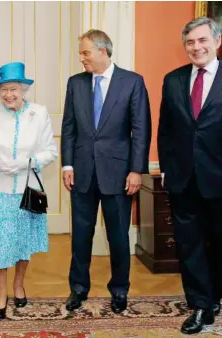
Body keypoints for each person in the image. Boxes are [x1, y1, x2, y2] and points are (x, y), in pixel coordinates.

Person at [158, 16, 222, 335]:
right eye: (190, 42)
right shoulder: (172, 80)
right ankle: (200, 304)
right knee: (189, 244)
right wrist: (165, 167)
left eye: (202, 40)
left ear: (216, 42)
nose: (196, 47)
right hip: (182, 179)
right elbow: (165, 131)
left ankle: (213, 296)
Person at [61, 29, 151, 313]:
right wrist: (67, 163)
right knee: (81, 235)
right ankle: (78, 289)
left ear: (103, 51)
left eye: (86, 52)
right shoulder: (75, 83)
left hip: (119, 174)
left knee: (118, 236)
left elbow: (141, 130)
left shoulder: (132, 82)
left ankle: (120, 290)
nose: (82, 59)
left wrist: (137, 170)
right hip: (83, 172)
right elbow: (69, 127)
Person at [0, 62, 58, 320]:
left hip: (29, 188)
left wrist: (26, 163)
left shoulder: (40, 113)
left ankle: (19, 285)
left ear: (23, 90)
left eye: (13, 89)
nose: (8, 94)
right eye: (3, 90)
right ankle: (1, 293)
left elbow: (50, 151)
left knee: (24, 243)